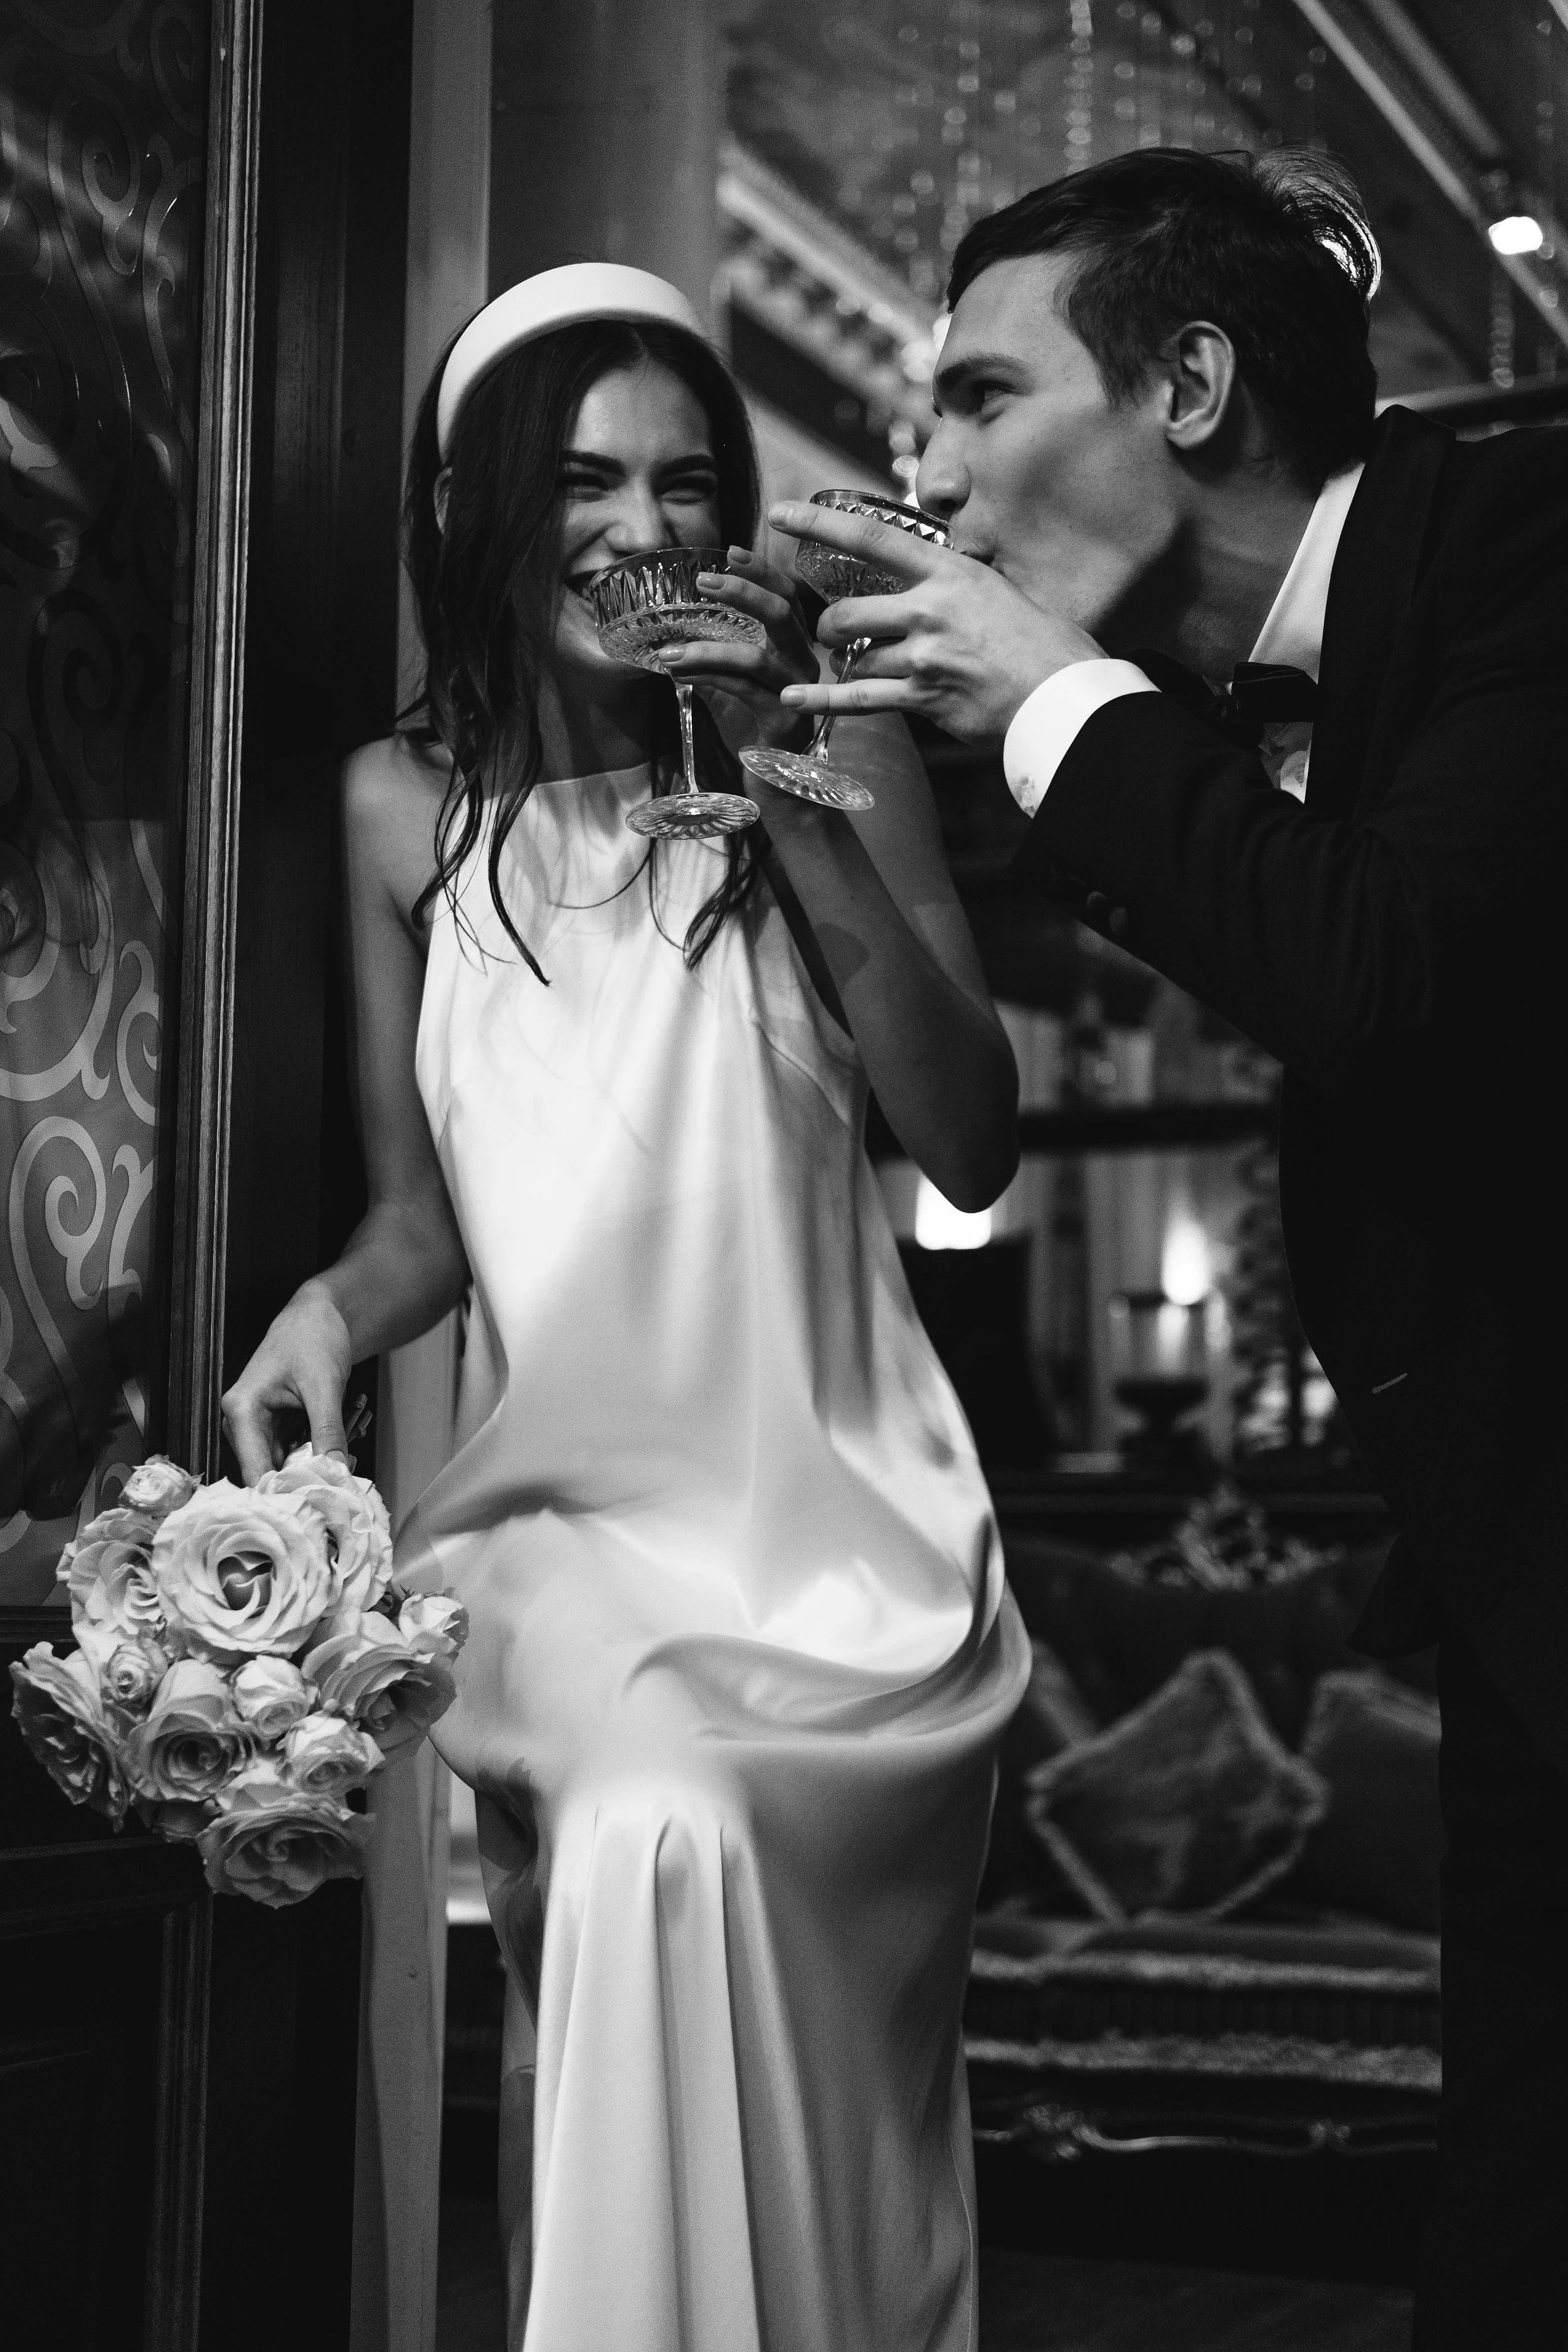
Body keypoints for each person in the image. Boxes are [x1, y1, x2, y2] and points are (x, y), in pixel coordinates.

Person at [774, 147, 1568, 2348]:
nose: (921, 465)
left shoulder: (1528, 539)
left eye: (977, 398)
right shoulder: (1240, 710)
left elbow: (1386, 965)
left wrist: (1038, 687)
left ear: (1191, 385)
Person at [221, 262, 1030, 2352]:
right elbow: (427, 1221)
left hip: (843, 1534)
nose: (644, 529)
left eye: (688, 483)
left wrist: (788, 789)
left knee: (827, 2112)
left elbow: (967, 1136)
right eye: (583, 480)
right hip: (574, 1545)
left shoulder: (831, 755)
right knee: (660, 1822)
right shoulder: (401, 808)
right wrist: (324, 1309)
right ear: (484, 508)